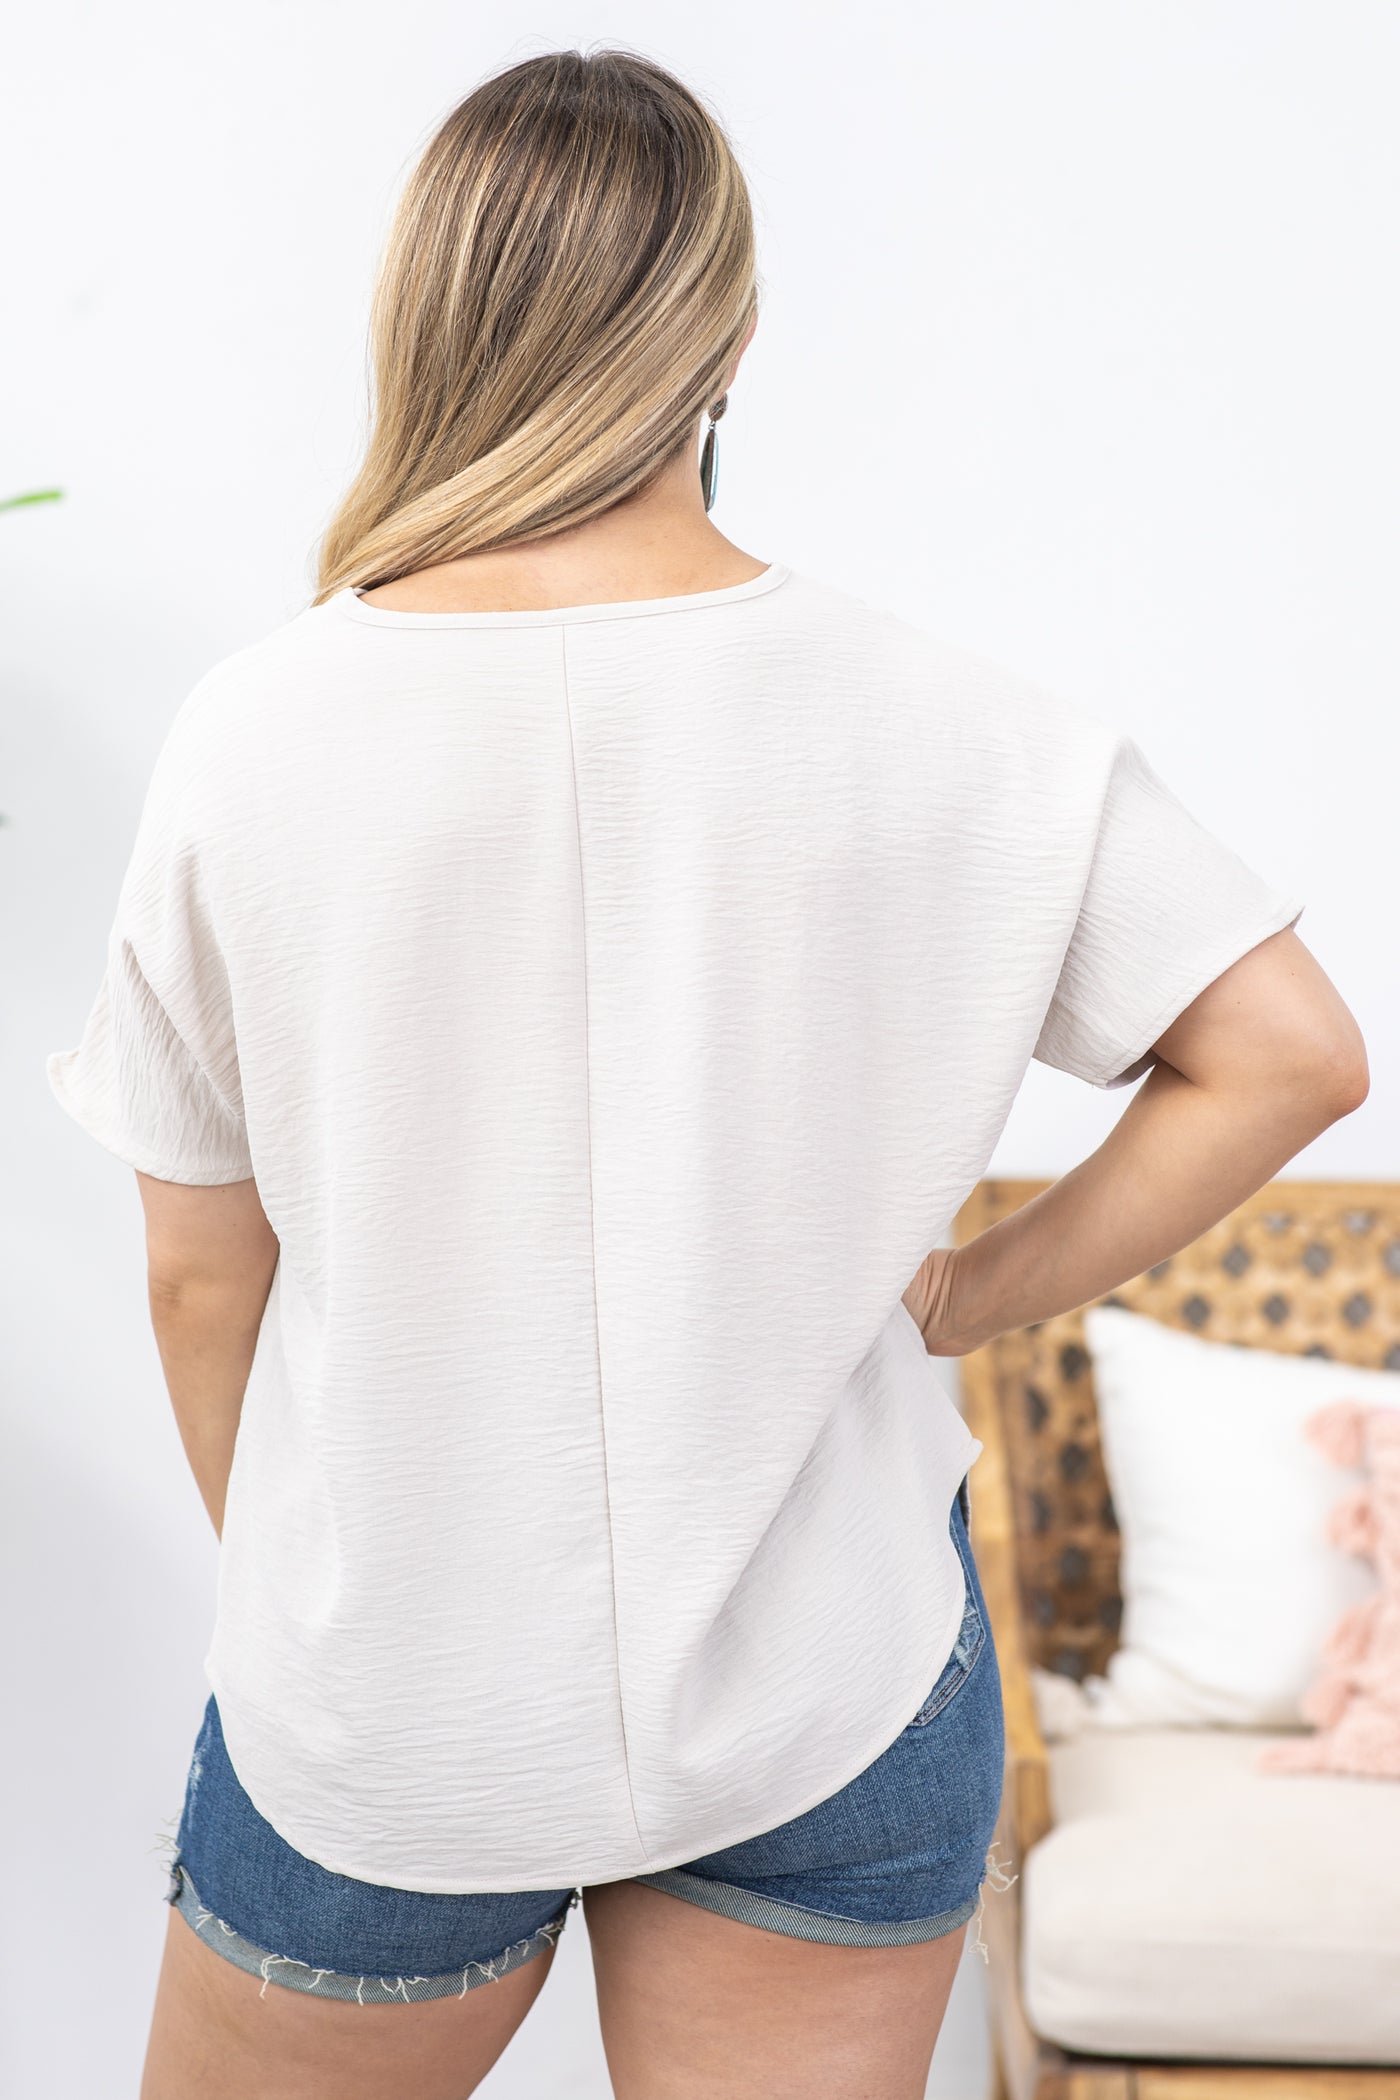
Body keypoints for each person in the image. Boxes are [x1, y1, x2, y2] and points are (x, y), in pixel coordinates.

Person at [46, 45, 1367, 2100]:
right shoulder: (949, 720)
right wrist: (972, 1295)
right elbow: (1288, 1053)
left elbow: (197, 1281)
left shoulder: (257, 739)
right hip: (828, 1674)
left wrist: (323, 1595)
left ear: (425, 313)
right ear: (730, 337)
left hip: (391, 1703)